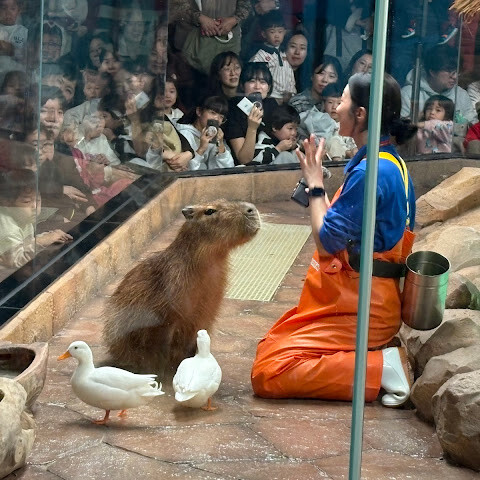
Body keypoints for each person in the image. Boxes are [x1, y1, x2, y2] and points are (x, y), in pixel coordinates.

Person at [251, 72, 418, 407]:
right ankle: (375, 356)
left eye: (342, 101)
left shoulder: (372, 172)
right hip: (364, 297)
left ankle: (381, 367)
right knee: (272, 343)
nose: (336, 109)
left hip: (363, 306)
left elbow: (327, 241)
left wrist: (315, 185)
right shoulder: (387, 161)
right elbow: (344, 229)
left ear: (361, 114)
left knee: (269, 372)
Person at [0, 167, 72, 271]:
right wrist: (42, 241)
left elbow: (26, 243)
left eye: (37, 200)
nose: (35, 207)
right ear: (7, 204)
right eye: (26, 202)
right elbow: (15, 262)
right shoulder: (9, 230)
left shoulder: (23, 217)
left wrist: (49, 236)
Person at [400, 44, 476, 124]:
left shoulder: (461, 95)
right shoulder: (409, 93)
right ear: (432, 72)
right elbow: (401, 126)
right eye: (450, 72)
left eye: (457, 72)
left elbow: (472, 125)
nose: (455, 77)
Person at [223, 61, 278, 165]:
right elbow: (244, 160)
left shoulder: (271, 105)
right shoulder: (233, 108)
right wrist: (252, 128)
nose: (257, 86)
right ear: (242, 85)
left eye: (263, 82)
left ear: (269, 87)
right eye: (252, 81)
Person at [249, 9, 296, 103]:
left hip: (288, 98)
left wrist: (292, 93)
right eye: (272, 32)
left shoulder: (285, 53)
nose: (277, 36)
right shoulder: (260, 56)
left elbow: (290, 75)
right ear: (264, 34)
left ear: (285, 32)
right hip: (270, 98)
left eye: (280, 32)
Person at [176, 95, 234, 170]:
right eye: (213, 113)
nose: (216, 119)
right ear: (199, 112)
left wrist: (221, 145)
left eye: (221, 117)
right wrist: (202, 148)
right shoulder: (184, 134)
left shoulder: (215, 137)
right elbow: (184, 169)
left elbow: (228, 169)